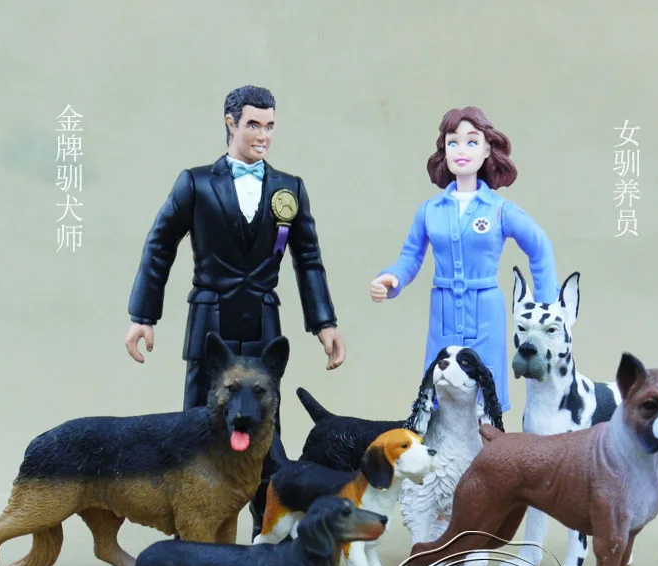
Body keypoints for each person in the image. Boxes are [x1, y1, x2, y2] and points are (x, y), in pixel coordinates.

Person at [125, 85, 346, 535]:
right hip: (211, 321)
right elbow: (160, 245)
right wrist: (143, 316)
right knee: (198, 425)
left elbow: (308, 259)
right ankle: (191, 531)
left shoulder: (288, 188)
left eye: (270, 126)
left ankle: (269, 527)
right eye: (253, 125)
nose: (263, 135)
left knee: (265, 427)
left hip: (263, 321)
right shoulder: (196, 183)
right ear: (231, 123)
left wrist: (324, 323)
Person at [369, 106, 558, 412]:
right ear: (443, 150)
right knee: (439, 383)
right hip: (443, 309)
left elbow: (539, 246)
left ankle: (486, 438)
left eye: (472, 142)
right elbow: (410, 257)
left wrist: (546, 305)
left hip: (485, 311)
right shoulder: (430, 210)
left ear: (487, 149)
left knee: (486, 390)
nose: (461, 150)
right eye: (452, 142)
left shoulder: (499, 209)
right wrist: (393, 278)